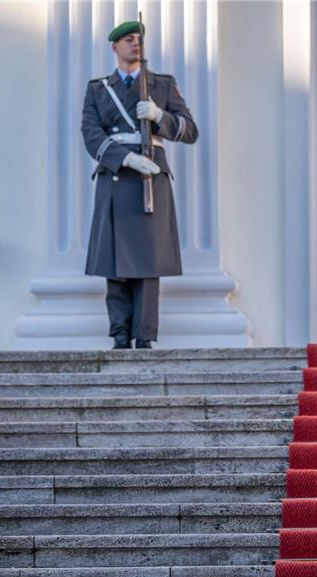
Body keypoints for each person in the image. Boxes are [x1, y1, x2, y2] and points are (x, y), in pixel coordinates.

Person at [81, 20, 198, 349]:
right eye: (129, 39)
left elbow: (190, 131)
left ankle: (145, 335)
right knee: (114, 259)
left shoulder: (161, 85)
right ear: (115, 47)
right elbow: (91, 135)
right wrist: (126, 159)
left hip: (151, 179)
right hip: (118, 176)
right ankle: (119, 333)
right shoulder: (98, 89)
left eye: (139, 39)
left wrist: (161, 117)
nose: (136, 44)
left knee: (149, 259)